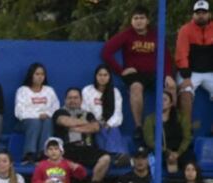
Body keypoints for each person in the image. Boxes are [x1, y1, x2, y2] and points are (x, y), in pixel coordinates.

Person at [101, 5, 174, 142]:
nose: (138, 21)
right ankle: (138, 127)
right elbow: (106, 52)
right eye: (135, 18)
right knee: (136, 87)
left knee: (171, 88)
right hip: (135, 75)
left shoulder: (156, 35)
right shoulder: (126, 35)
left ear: (147, 20)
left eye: (141, 18)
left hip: (154, 73)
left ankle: (170, 123)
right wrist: (121, 71)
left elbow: (166, 56)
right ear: (131, 20)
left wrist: (168, 74)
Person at [53, 87, 112, 183]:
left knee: (106, 158)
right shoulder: (59, 112)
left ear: (81, 100)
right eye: (70, 98)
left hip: (86, 148)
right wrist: (86, 123)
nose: (72, 100)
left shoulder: (88, 114)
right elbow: (65, 121)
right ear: (65, 100)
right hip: (66, 150)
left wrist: (75, 127)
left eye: (76, 98)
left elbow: (95, 127)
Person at [176, 1, 213, 130]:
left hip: (210, 72)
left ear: (209, 14)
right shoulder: (185, 30)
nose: (201, 16)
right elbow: (181, 54)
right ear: (193, 15)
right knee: (185, 94)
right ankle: (186, 131)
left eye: (204, 13)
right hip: (191, 72)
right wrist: (186, 77)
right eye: (198, 13)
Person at [81, 65, 129, 162]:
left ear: (109, 77)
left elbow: (118, 113)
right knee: (100, 128)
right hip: (91, 122)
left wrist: (108, 124)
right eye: (100, 75)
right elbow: (84, 109)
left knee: (113, 128)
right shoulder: (87, 90)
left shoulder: (115, 92)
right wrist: (96, 121)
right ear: (96, 76)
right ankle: (115, 155)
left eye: (105, 75)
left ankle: (114, 156)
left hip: (108, 123)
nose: (102, 78)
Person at [15, 62, 60, 164]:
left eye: (42, 74)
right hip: (24, 123)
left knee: (48, 121)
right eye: (37, 74)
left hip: (45, 122)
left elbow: (56, 108)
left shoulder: (49, 90)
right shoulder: (22, 90)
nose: (40, 77)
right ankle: (29, 154)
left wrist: (47, 114)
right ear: (31, 75)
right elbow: (19, 112)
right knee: (35, 122)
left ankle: (43, 154)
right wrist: (38, 115)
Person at [143, 91, 192, 175]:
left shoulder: (181, 117)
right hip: (160, 151)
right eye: (159, 99)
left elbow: (187, 137)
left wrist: (178, 153)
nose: (161, 102)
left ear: (171, 103)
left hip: (180, 152)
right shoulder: (150, 119)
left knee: (190, 162)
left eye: (164, 99)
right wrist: (167, 152)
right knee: (151, 160)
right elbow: (149, 140)